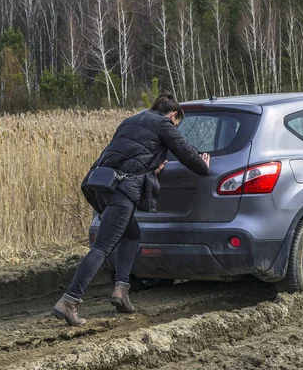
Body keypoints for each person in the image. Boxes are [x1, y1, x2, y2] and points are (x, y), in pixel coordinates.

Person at [51, 92, 210, 326]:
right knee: (103, 247)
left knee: (132, 233)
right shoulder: (165, 124)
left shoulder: (131, 120)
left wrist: (148, 169)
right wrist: (203, 165)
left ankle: (121, 290)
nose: (176, 127)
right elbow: (187, 154)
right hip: (122, 191)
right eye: (178, 123)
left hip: (101, 185)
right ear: (174, 115)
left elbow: (122, 156)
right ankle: (69, 301)